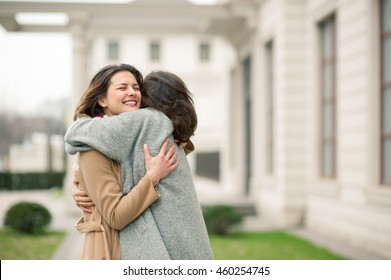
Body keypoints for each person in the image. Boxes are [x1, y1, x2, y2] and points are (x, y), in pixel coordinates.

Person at [65, 65, 213, 260]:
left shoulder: (138, 133)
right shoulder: (92, 148)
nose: (132, 92)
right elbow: (115, 215)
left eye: (136, 87)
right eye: (122, 87)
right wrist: (151, 178)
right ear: (102, 99)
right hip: (110, 248)